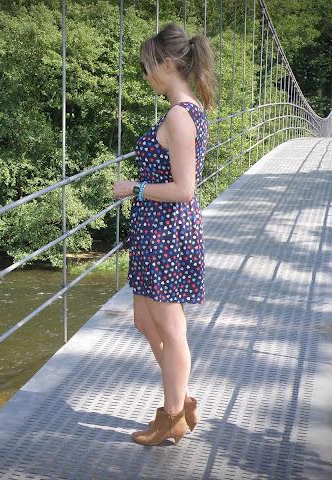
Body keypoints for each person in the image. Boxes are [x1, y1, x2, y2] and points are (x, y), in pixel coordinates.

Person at [112, 22, 216, 446]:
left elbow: (184, 189)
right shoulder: (181, 110)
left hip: (167, 232)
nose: (145, 75)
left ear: (169, 63)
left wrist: (132, 188)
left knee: (171, 331)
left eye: (148, 66)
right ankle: (183, 398)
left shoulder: (179, 115)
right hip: (154, 230)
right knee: (143, 319)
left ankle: (172, 415)